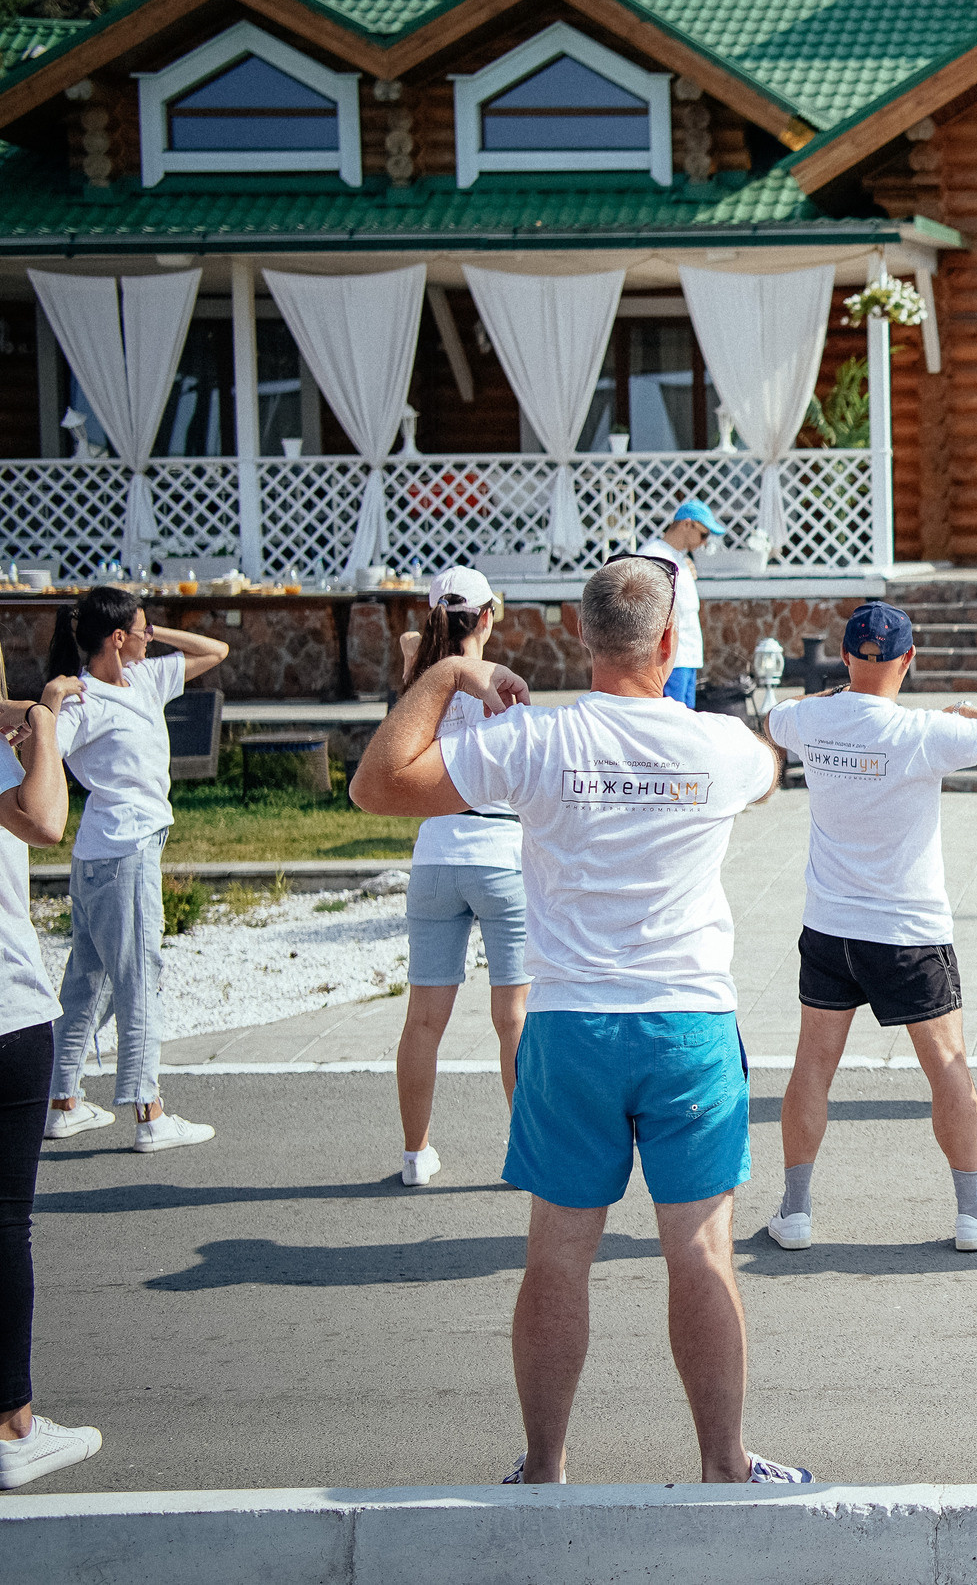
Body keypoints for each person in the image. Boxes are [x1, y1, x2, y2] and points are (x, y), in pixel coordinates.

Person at [350, 555, 803, 1487]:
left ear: (577, 632)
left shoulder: (533, 739)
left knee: (557, 1257)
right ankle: (724, 1465)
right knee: (702, 1250)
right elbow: (769, 767)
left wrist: (447, 671)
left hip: (569, 1027)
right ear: (669, 640)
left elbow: (378, 783)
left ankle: (545, 1467)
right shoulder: (717, 745)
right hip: (687, 1025)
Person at [760, 602, 977, 1254]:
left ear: (845, 655)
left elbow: (777, 715)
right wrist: (970, 712)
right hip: (908, 931)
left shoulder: (810, 718)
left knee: (812, 1067)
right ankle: (973, 1211)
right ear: (908, 659)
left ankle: (794, 1211)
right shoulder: (924, 729)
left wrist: (837, 694)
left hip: (830, 927)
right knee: (947, 1068)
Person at [42, 589, 228, 1153]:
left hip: (107, 853)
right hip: (122, 854)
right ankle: (150, 1113)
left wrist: (154, 631)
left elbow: (215, 651)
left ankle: (62, 1102)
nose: (151, 637)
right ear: (118, 637)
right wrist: (50, 702)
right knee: (140, 979)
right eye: (141, 629)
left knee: (89, 980)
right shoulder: (83, 701)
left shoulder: (143, 678)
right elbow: (42, 755)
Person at [391, 567, 529, 1187]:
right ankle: (525, 1152)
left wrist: (425, 648)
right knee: (514, 1018)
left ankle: (415, 1154)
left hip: (436, 853)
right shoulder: (503, 686)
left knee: (423, 1019)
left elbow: (408, 647)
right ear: (488, 616)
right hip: (500, 851)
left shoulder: (421, 684)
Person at [0, 670, 100, 1490]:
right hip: (4, 1013)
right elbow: (44, 818)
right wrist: (42, 718)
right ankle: (12, 1426)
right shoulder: (18, 742)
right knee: (4, 1222)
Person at [640, 498, 724, 709]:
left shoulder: (678, 558)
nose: (704, 542)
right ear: (687, 524)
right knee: (670, 719)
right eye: (704, 534)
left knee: (684, 719)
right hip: (670, 659)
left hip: (686, 656)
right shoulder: (654, 555)